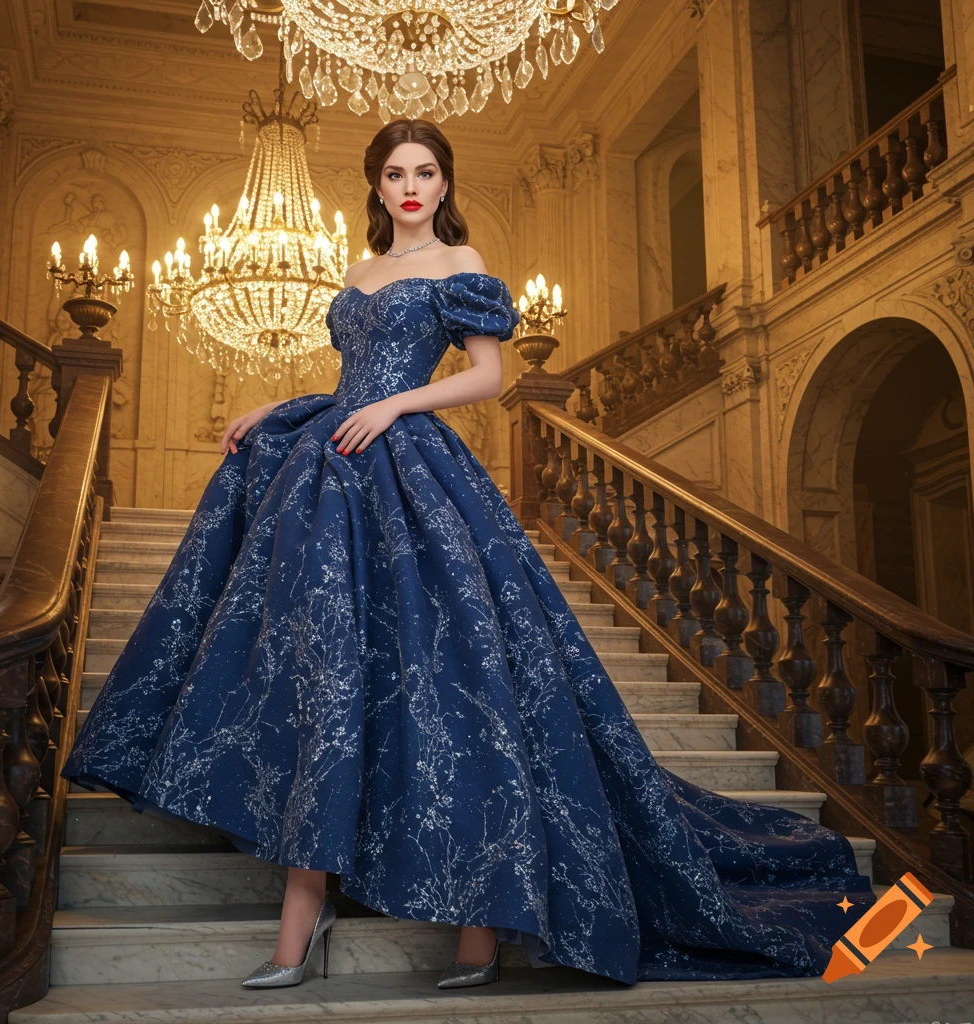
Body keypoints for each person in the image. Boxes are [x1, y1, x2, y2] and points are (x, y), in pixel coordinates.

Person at [62, 117, 877, 992]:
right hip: (337, 466)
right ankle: (303, 909)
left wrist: (399, 406)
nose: (410, 187)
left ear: (444, 185)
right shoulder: (359, 270)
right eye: (394, 175)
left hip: (414, 468)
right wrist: (283, 409)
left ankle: (478, 932)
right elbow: (351, 381)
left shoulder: (462, 262)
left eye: (425, 173)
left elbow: (487, 375)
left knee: (458, 685)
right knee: (329, 681)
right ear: (376, 188)